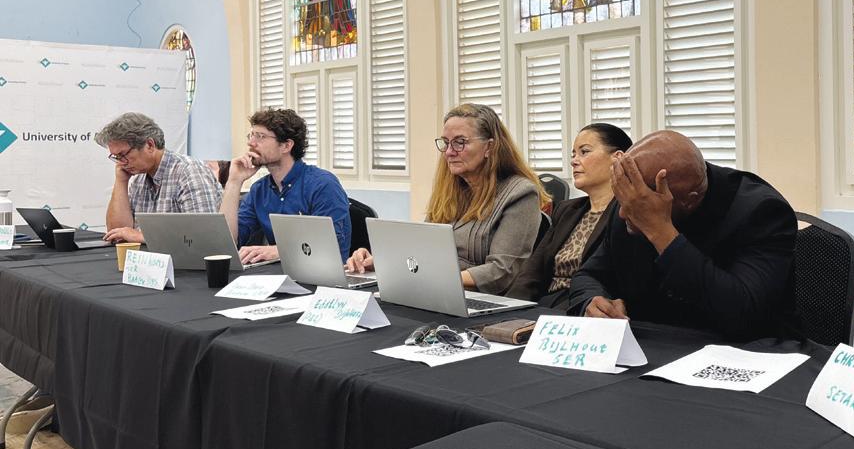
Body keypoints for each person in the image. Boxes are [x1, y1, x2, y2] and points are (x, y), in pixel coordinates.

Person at [567, 130, 798, 339]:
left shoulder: (760, 211)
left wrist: (662, 233)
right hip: (651, 346)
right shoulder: (633, 198)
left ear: (690, 200)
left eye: (639, 207)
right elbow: (589, 275)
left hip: (740, 352)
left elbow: (744, 314)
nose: (623, 213)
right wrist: (592, 301)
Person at [345, 103, 550, 296]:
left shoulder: (520, 194)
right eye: (446, 143)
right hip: (438, 292)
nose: (449, 152)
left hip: (481, 299)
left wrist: (436, 279)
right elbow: (422, 249)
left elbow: (502, 271)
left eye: (460, 142)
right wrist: (380, 260)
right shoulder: (451, 190)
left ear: (490, 147)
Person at [507, 123, 633, 309]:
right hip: (545, 305)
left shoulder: (628, 214)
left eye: (584, 152)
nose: (574, 161)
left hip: (584, 309)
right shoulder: (567, 210)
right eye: (573, 154)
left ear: (617, 157)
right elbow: (532, 272)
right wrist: (509, 309)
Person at [220, 108, 351, 264]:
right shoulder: (259, 189)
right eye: (251, 135)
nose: (251, 143)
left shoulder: (323, 185)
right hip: (276, 273)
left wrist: (279, 250)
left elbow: (330, 244)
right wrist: (234, 182)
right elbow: (226, 243)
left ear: (286, 146)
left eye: (260, 136)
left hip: (321, 274)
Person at [95, 112, 222, 244]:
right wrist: (121, 181)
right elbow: (117, 233)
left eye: (123, 155)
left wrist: (143, 237)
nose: (121, 163)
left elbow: (203, 236)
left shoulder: (189, 172)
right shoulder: (138, 178)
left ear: (150, 145)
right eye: (116, 157)